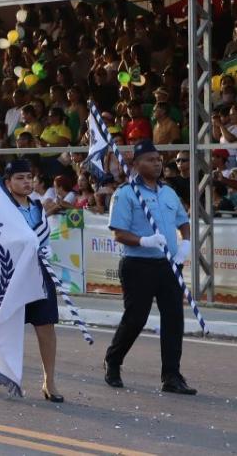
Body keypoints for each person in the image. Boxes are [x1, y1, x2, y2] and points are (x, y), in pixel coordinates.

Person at [104, 140, 196, 395]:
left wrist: (185, 244)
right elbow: (119, 234)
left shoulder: (168, 192)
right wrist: (144, 240)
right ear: (135, 164)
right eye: (150, 160)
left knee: (174, 319)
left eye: (158, 159)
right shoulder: (125, 193)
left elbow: (183, 220)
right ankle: (113, 360)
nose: (157, 164)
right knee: (136, 318)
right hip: (138, 264)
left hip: (167, 264)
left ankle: (172, 376)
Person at [3, 159, 64, 402]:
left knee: (46, 325)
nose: (26, 182)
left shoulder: (38, 205)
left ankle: (49, 380)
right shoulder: (2, 209)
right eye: (19, 178)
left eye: (29, 177)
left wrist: (44, 249)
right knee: (5, 326)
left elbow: (42, 237)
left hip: (39, 271)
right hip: (12, 273)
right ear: (8, 183)